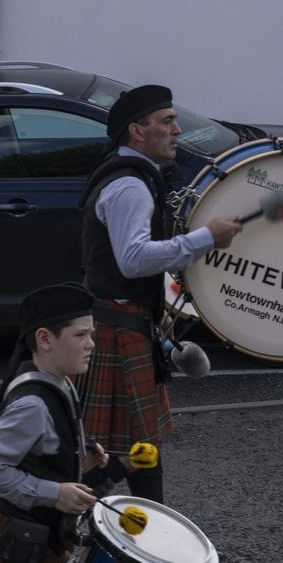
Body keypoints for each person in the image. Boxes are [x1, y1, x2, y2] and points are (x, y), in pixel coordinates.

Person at [74, 85, 243, 504]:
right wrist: (207, 237)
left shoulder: (131, 173)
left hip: (125, 321)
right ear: (137, 130)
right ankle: (74, 517)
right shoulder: (130, 185)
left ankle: (139, 524)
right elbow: (133, 260)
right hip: (117, 331)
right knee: (126, 447)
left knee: (133, 446)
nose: (177, 129)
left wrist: (157, 305)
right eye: (166, 121)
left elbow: (125, 266)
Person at [0, 283, 106, 562]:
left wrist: (79, 461)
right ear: (45, 339)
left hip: (37, 535)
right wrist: (54, 493)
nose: (91, 343)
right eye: (81, 335)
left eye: (92, 334)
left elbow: (39, 455)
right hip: (10, 540)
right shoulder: (32, 405)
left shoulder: (62, 383)